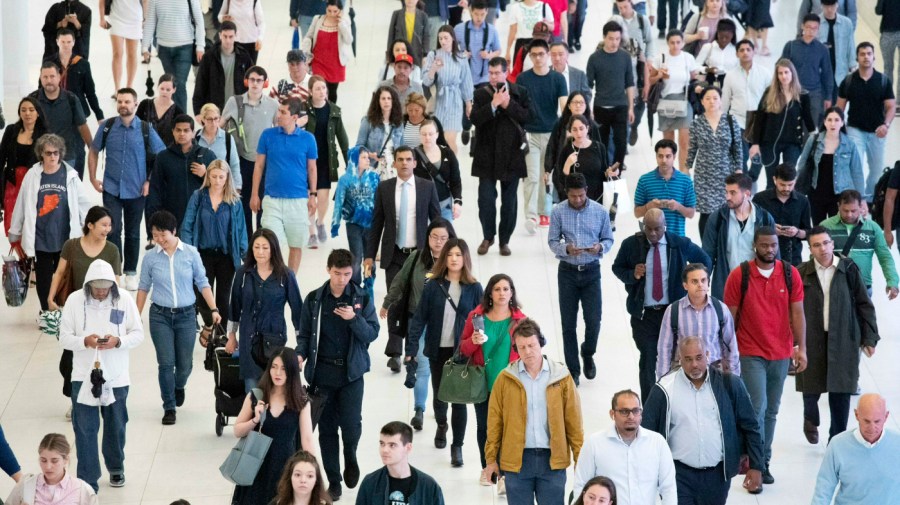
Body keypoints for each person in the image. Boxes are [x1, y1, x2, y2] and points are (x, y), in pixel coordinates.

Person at [723, 226, 806, 486]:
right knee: (757, 408)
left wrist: (801, 348)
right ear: (755, 246)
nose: (770, 249)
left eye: (773, 245)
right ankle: (756, 466)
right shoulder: (740, 275)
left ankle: (763, 460)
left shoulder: (790, 274)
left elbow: (797, 313)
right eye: (764, 245)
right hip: (750, 352)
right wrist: (727, 354)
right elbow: (729, 319)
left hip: (780, 353)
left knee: (771, 411)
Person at [297, 249, 380, 502]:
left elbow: (372, 333)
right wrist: (300, 356)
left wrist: (354, 319)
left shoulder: (361, 298)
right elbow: (304, 335)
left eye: (347, 274)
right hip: (322, 374)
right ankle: (334, 480)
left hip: (351, 374)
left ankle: (351, 455)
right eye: (337, 273)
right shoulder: (314, 300)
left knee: (351, 424)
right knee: (328, 430)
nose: (342, 279)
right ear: (328, 270)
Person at [642, 337, 765, 500]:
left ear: (707, 355)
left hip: (717, 476)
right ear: (680, 359)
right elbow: (646, 434)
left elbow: (751, 426)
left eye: (699, 357)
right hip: (678, 475)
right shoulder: (664, 389)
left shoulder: (730, 384)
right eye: (688, 359)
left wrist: (756, 466)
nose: (694, 364)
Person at [59, 259, 143, 491]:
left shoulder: (124, 299)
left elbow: (138, 334)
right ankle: (87, 480)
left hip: (116, 377)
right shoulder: (74, 301)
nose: (101, 292)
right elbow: (64, 337)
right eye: (96, 288)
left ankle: (116, 468)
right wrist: (84, 341)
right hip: (83, 376)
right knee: (84, 428)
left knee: (116, 425)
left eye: (105, 288)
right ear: (88, 285)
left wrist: (119, 342)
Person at [481, 318, 583, 504]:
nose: (528, 352)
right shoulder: (505, 379)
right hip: (516, 461)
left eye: (531, 345)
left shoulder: (561, 377)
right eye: (522, 347)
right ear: (516, 350)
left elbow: (574, 422)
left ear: (540, 343)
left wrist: (580, 458)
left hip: (552, 460)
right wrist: (490, 460)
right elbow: (494, 423)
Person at [612, 208, 710, 399]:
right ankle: (650, 406)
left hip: (672, 313)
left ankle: (677, 399)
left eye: (657, 229)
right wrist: (633, 274)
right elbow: (617, 268)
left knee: (677, 358)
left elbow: (704, 260)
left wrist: (695, 284)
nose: (653, 234)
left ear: (664, 226)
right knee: (648, 358)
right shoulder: (632, 244)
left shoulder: (679, 244)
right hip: (644, 315)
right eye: (649, 229)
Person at [135, 210, 221, 425]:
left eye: (163, 234)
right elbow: (144, 288)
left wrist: (214, 309)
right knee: (166, 363)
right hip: (160, 316)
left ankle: (178, 385)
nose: (160, 239)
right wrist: (135, 316)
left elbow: (203, 282)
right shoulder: (150, 258)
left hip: (185, 316)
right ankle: (169, 406)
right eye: (155, 235)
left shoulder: (191, 253)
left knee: (184, 365)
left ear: (174, 231)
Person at [798, 226, 879, 444]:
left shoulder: (849, 269)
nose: (822, 248)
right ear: (810, 249)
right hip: (811, 338)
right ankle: (810, 417)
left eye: (826, 243)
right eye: (816, 245)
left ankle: (836, 440)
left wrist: (870, 337)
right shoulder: (801, 272)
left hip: (844, 337)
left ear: (832, 244)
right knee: (810, 385)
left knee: (841, 389)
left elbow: (864, 304)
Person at [405, 239, 483, 465]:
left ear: (465, 258)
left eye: (458, 254)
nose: (454, 259)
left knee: (459, 400)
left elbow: (480, 318)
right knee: (440, 396)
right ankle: (441, 424)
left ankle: (457, 446)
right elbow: (419, 318)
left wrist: (480, 343)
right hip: (437, 350)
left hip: (462, 352)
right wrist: (410, 349)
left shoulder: (475, 287)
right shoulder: (434, 285)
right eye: (450, 254)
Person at [365, 146, 441, 370]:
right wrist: (369, 255)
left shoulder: (427, 187)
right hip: (394, 253)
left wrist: (450, 250)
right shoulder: (385, 188)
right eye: (401, 159)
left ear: (415, 163)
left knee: (416, 303)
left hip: (420, 256)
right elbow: (377, 223)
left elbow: (437, 220)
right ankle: (395, 351)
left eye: (409, 159)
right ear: (394, 163)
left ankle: (412, 350)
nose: (405, 163)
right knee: (396, 300)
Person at [89, 88, 167, 290]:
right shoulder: (107, 126)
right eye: (120, 101)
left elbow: (162, 156)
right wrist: (92, 177)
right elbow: (94, 151)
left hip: (136, 189)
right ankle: (115, 271)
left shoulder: (145, 129)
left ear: (135, 103)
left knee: (133, 232)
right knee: (112, 230)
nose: (123, 105)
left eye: (127, 101)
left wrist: (150, 180)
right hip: (112, 188)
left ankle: (131, 272)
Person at [47, 206, 121, 414]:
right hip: (75, 308)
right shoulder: (71, 246)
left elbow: (116, 283)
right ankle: (76, 397)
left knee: (98, 357)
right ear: (90, 225)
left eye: (109, 225)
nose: (107, 229)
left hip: (102, 309)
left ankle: (98, 395)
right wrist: (50, 297)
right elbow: (60, 272)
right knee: (69, 360)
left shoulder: (112, 250)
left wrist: (118, 315)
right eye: (103, 225)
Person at [381, 218, 456, 415]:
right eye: (434, 237)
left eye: (443, 238)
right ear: (427, 237)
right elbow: (399, 281)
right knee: (423, 369)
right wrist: (387, 303)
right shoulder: (416, 257)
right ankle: (419, 410)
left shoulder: (455, 261)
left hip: (445, 325)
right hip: (418, 321)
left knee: (442, 371)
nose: (439, 242)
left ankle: (441, 413)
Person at [8, 133, 90, 313]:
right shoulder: (33, 175)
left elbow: (84, 204)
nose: (52, 156)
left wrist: (91, 225)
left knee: (65, 276)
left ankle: (63, 309)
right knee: (44, 278)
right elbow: (22, 203)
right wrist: (15, 230)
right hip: (40, 237)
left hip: (64, 237)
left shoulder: (71, 175)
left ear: (60, 153)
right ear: (41, 154)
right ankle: (46, 310)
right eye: (48, 153)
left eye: (55, 153)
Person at [459, 273, 527, 483]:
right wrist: (473, 341)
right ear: (490, 293)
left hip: (510, 385)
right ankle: (487, 468)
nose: (502, 293)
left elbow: (529, 349)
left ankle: (505, 472)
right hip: (483, 383)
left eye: (506, 289)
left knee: (508, 428)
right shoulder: (476, 317)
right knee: (484, 428)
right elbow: (463, 348)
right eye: (497, 289)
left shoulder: (520, 321)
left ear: (512, 293)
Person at [548, 173, 613, 385]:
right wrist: (565, 248)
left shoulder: (600, 211)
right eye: (573, 196)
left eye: (581, 195)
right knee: (568, 324)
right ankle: (573, 370)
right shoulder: (558, 212)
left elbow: (608, 238)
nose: (578, 200)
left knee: (594, 320)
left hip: (591, 271)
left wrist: (599, 247)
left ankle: (587, 352)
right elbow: (552, 241)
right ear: (567, 193)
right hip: (567, 271)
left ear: (586, 191)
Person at [232, 348, 316, 505]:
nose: (277, 373)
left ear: (292, 371)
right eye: (274, 366)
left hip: (284, 469)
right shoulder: (256, 395)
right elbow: (237, 430)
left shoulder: (301, 402)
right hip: (255, 465)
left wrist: (314, 474)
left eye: (284, 368)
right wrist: (254, 420)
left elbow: (307, 440)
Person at [226, 228, 303, 392]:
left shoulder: (286, 276)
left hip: (274, 341)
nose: (260, 252)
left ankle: (267, 418)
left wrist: (301, 347)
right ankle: (257, 418)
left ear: (273, 249)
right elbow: (234, 308)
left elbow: (298, 311)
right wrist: (231, 336)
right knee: (254, 393)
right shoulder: (243, 274)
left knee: (274, 392)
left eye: (265, 247)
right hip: (248, 342)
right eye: (256, 247)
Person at [181, 159, 247, 341]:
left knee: (223, 297)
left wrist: (247, 258)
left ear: (227, 178)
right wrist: (187, 252)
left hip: (227, 256)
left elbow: (241, 232)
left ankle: (222, 335)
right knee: (202, 295)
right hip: (202, 255)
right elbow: (187, 225)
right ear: (208, 176)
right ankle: (209, 324)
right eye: (214, 176)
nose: (217, 180)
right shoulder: (198, 196)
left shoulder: (234, 201)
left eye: (221, 177)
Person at [471, 57, 531, 256]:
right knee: (486, 199)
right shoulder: (481, 94)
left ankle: (504, 240)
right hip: (486, 155)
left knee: (510, 202)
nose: (494, 76)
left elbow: (528, 118)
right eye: (490, 73)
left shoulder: (519, 92)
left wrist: (507, 105)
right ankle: (488, 237)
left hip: (512, 155)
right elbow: (475, 119)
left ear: (506, 72)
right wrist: (493, 105)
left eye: (497, 72)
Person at [250, 98, 318, 273]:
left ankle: (291, 282)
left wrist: (313, 195)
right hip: (271, 200)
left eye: (283, 112)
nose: (278, 115)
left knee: (296, 245)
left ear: (294, 117)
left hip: (298, 201)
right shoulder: (267, 135)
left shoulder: (308, 139)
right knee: (269, 245)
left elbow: (312, 169)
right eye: (278, 111)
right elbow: (258, 166)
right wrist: (254, 194)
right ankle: (272, 283)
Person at [572, 390, 676, 503]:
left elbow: (668, 489)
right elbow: (581, 485)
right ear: (612, 414)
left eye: (636, 411)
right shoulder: (594, 443)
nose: (631, 416)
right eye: (624, 411)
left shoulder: (657, 443)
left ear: (641, 414)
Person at [221, 65, 279, 235]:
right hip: (242, 160)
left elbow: (279, 128)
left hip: (265, 162)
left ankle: (262, 240)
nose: (255, 83)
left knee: (263, 203)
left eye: (259, 80)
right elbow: (220, 124)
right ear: (247, 82)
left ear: (265, 83)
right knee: (244, 202)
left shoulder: (273, 104)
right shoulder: (234, 102)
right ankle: (247, 244)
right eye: (252, 80)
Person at [810, 393, 900, 504]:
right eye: (866, 421)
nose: (872, 428)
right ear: (857, 415)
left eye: (877, 421)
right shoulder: (838, 445)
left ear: (886, 417)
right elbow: (824, 488)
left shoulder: (897, 444)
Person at [518, 39, 568, 231]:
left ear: (547, 55)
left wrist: (568, 130)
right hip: (530, 134)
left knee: (547, 175)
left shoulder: (558, 79)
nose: (538, 58)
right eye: (534, 55)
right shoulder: (523, 79)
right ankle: (531, 216)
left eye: (541, 54)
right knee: (532, 175)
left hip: (551, 134)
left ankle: (545, 212)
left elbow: (564, 107)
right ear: (530, 57)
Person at [656, 263, 739, 379]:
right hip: (682, 373)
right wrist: (662, 382)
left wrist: (735, 378)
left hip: (714, 371)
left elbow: (731, 346)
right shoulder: (673, 311)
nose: (700, 285)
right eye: (694, 281)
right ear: (685, 285)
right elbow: (664, 349)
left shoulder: (720, 309)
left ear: (708, 283)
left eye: (703, 280)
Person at [836, 42, 896, 203]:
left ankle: (869, 199)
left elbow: (891, 106)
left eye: (869, 53)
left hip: (877, 132)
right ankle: (858, 200)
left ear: (874, 57)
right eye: (862, 54)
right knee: (857, 167)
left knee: (876, 171)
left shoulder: (883, 81)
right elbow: (839, 108)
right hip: (855, 130)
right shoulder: (848, 81)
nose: (866, 57)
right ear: (857, 58)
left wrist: (886, 124)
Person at [702, 173, 776, 299]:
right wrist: (703, 280)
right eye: (726, 192)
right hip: (727, 283)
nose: (727, 197)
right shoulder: (717, 218)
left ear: (747, 194)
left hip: (757, 285)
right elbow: (707, 255)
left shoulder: (764, 218)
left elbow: (773, 254)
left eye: (733, 193)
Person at [747, 59, 816, 188]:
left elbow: (808, 119)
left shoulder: (802, 95)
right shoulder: (769, 93)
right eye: (780, 73)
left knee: (788, 178)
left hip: (793, 143)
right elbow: (759, 120)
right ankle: (770, 207)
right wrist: (755, 144)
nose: (784, 76)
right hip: (770, 143)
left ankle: (787, 205)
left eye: (786, 72)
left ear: (792, 74)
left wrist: (816, 137)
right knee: (771, 181)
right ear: (777, 75)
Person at [821, 189, 900, 299]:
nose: (849, 215)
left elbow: (885, 257)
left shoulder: (873, 228)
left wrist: (892, 282)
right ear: (838, 206)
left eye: (853, 211)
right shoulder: (826, 226)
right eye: (845, 210)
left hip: (863, 286)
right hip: (833, 286)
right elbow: (816, 257)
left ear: (861, 207)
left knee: (865, 316)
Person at [146, 114, 217, 233]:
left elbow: (221, 185)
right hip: (172, 219)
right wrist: (155, 220)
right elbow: (155, 189)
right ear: (173, 131)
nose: (182, 134)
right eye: (178, 130)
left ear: (193, 132)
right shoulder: (163, 157)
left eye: (186, 130)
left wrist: (206, 175)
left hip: (202, 217)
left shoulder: (207, 155)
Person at [687, 86, 743, 235]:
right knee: (705, 213)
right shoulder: (696, 123)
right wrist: (686, 168)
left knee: (727, 211)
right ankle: (706, 248)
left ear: (720, 101)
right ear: (702, 102)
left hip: (726, 174)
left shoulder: (730, 121)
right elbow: (692, 148)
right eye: (707, 98)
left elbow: (738, 146)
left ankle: (724, 247)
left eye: (715, 98)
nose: (712, 101)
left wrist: (739, 169)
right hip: (704, 175)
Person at [797, 107, 865, 224]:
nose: (833, 123)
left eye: (837, 120)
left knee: (838, 230)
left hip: (840, 195)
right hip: (816, 193)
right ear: (824, 122)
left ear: (842, 123)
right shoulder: (814, 140)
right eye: (829, 120)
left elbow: (857, 172)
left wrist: (861, 199)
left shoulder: (849, 144)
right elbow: (802, 165)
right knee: (819, 229)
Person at [305, 75, 350, 249]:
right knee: (309, 197)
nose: (322, 92)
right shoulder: (304, 110)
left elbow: (343, 140)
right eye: (317, 88)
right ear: (310, 91)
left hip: (325, 159)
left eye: (324, 88)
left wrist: (349, 163)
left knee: (323, 197)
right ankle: (311, 233)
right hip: (307, 161)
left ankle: (320, 221)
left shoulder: (334, 111)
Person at [356, 422, 446, 505]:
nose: (384, 450)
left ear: (408, 448)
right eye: (382, 444)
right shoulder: (370, 483)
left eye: (392, 445)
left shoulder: (429, 487)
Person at [648, 30, 701, 172]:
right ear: (668, 43)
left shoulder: (687, 58)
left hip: (684, 101)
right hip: (666, 102)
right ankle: (670, 171)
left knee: (685, 141)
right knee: (669, 142)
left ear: (683, 43)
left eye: (678, 42)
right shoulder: (661, 58)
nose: (675, 45)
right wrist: (659, 74)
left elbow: (694, 77)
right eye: (672, 42)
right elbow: (651, 80)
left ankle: (684, 172)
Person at [32, 61, 93, 179]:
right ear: (40, 78)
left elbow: (82, 126)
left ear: (59, 77)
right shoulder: (33, 100)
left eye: (52, 76)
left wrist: (92, 149)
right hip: (40, 158)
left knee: (67, 194)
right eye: (45, 77)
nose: (49, 80)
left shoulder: (71, 99)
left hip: (66, 157)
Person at [142, 0, 205, 113]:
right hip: (164, 48)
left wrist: (200, 45)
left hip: (185, 47)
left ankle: (182, 121)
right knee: (170, 85)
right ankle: (171, 118)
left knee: (179, 84)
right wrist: (145, 46)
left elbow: (199, 21)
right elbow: (150, 21)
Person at [332, 146, 381, 287]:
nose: (367, 160)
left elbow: (379, 201)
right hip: (353, 224)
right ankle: (355, 285)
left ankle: (368, 283)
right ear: (354, 159)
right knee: (356, 256)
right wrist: (335, 225)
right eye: (363, 157)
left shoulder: (374, 177)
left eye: (368, 157)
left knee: (369, 256)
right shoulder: (345, 180)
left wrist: (381, 221)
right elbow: (339, 203)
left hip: (371, 224)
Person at [586, 22, 634, 167]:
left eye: (617, 39)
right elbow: (588, 85)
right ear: (604, 37)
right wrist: (588, 109)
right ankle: (604, 171)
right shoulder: (594, 58)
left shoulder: (625, 57)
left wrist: (631, 107)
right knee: (601, 143)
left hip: (620, 106)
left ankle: (617, 171)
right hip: (601, 106)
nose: (614, 42)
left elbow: (629, 83)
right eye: (611, 38)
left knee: (621, 142)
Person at [721, 39, 771, 181]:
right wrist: (723, 123)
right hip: (738, 121)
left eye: (748, 49)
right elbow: (725, 100)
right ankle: (742, 186)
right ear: (737, 53)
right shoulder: (730, 75)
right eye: (741, 50)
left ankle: (751, 180)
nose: (745, 53)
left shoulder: (765, 73)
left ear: (753, 51)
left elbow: (771, 98)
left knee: (757, 159)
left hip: (759, 121)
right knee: (740, 157)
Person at [456, 1, 503, 144]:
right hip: (466, 75)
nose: (479, 17)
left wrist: (489, 55)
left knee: (482, 106)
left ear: (487, 12)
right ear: (470, 11)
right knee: (467, 105)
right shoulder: (459, 29)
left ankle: (478, 133)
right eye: (476, 14)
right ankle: (466, 128)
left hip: (484, 76)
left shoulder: (492, 30)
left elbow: (498, 50)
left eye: (482, 14)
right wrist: (460, 53)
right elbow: (450, 49)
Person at [422, 26, 474, 153]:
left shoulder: (461, 57)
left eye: (446, 38)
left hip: (455, 101)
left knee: (450, 139)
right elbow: (426, 81)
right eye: (440, 38)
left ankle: (453, 170)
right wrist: (433, 69)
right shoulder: (433, 55)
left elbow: (466, 82)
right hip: (439, 100)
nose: (443, 41)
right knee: (438, 139)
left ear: (453, 39)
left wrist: (468, 104)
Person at [608, 0, 653, 147]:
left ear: (632, 4)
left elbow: (650, 41)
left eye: (625, 6)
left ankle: (633, 126)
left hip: (638, 68)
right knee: (623, 110)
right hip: (619, 80)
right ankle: (623, 139)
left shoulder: (641, 20)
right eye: (620, 7)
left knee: (639, 106)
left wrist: (649, 60)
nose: (623, 10)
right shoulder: (615, 21)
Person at [4, 434, 96, 505]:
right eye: (43, 460)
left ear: (66, 460)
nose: (48, 467)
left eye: (54, 461)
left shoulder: (82, 490)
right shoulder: (26, 485)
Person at [1, 97, 48, 235]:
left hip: (34, 183)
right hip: (13, 182)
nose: (27, 113)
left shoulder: (45, 135)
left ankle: (30, 255)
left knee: (31, 221)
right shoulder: (11, 130)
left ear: (38, 113)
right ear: (19, 113)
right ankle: (21, 255)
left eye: (31, 110)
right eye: (23, 110)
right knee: (11, 222)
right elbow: (1, 157)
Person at [752, 164, 813, 267]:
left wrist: (797, 232)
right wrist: (770, 230)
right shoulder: (760, 199)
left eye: (790, 185)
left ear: (795, 180)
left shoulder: (803, 201)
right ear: (774, 179)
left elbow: (808, 232)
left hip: (793, 257)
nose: (786, 188)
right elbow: (751, 228)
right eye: (782, 184)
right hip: (765, 256)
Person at [633, 139, 696, 237]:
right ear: (656, 156)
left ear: (674, 157)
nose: (664, 160)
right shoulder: (644, 180)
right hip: (651, 238)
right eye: (660, 156)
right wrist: (649, 206)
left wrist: (678, 207)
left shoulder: (685, 181)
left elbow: (691, 213)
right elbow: (637, 213)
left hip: (677, 239)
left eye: (668, 156)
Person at [545, 93, 601, 198]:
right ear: (569, 105)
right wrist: (547, 169)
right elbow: (552, 146)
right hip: (564, 171)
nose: (578, 105)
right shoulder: (560, 124)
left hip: (588, 174)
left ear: (586, 105)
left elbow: (600, 151)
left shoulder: (592, 126)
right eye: (575, 102)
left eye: (581, 103)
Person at [781, 15, 833, 127]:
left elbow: (827, 74)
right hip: (793, 91)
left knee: (811, 127)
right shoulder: (791, 46)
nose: (811, 31)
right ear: (802, 26)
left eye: (815, 28)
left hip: (814, 93)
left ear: (818, 29)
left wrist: (828, 96)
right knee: (791, 125)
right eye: (808, 27)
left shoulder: (822, 49)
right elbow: (780, 69)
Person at [192, 20, 253, 115]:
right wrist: (197, 111)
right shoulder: (209, 57)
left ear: (235, 36)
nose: (228, 40)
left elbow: (252, 83)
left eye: (231, 36)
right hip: (215, 110)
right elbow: (200, 84)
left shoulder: (244, 57)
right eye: (225, 36)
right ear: (220, 35)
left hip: (238, 109)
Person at [552, 115, 614, 203]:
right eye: (575, 129)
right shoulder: (567, 150)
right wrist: (567, 164)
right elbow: (561, 180)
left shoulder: (599, 147)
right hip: (576, 201)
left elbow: (605, 170)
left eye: (581, 129)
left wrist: (610, 173)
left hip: (597, 199)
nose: (579, 133)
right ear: (570, 131)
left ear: (587, 128)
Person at [302, 0, 354, 103]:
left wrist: (341, 23)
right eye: (329, 11)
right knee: (320, 88)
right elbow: (308, 36)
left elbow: (349, 40)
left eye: (335, 11)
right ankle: (319, 112)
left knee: (332, 91)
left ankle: (331, 114)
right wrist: (306, 53)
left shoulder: (344, 21)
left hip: (335, 63)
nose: (331, 14)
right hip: (318, 61)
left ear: (340, 11)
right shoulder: (318, 19)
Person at [46, 29, 103, 121]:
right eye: (63, 42)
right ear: (57, 42)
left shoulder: (83, 64)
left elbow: (90, 92)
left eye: (69, 42)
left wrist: (99, 115)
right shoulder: (49, 63)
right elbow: (42, 87)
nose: (66, 45)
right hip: (55, 108)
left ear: (73, 42)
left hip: (77, 110)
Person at [413, 121, 462, 221]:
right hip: (422, 206)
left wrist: (457, 201)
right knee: (424, 236)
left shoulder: (448, 153)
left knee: (445, 235)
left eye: (430, 134)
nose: (427, 137)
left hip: (445, 205)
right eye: (424, 134)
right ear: (420, 135)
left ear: (437, 134)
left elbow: (455, 180)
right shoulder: (414, 155)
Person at [356, 87, 405, 180]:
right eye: (383, 98)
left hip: (393, 168)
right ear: (378, 101)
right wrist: (370, 154)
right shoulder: (368, 121)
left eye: (389, 98)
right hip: (372, 166)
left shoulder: (399, 123)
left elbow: (402, 148)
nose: (386, 101)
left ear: (393, 101)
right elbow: (359, 146)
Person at [99, 0, 142, 92]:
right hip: (116, 18)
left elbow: (146, 1)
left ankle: (129, 87)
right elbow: (102, 1)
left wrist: (146, 18)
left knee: (132, 54)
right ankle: (117, 88)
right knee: (117, 53)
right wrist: (101, 18)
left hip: (135, 19)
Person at [196, 103, 242, 188]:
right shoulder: (196, 138)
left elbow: (234, 165)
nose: (213, 123)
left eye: (216, 119)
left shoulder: (227, 138)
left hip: (222, 187)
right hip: (200, 187)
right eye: (209, 119)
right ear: (203, 119)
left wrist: (237, 188)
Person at [818, 0, 855, 103]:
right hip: (821, 69)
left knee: (838, 101)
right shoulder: (816, 23)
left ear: (837, 5)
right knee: (822, 101)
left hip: (840, 68)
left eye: (832, 6)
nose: (830, 9)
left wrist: (852, 64)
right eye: (826, 6)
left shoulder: (846, 23)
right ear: (821, 6)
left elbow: (851, 44)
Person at [137, 74, 184, 149]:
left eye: (168, 90)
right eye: (162, 88)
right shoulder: (145, 104)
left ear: (174, 90)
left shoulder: (178, 111)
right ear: (157, 87)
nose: (164, 92)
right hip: (143, 148)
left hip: (166, 151)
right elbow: (136, 125)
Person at [505, 0, 555, 67]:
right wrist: (508, 51)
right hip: (521, 44)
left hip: (540, 43)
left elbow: (552, 27)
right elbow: (512, 30)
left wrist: (545, 24)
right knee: (520, 73)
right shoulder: (515, 7)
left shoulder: (544, 6)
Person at [695, 19, 739, 87]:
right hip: (711, 82)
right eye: (721, 37)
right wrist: (707, 69)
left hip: (731, 83)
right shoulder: (708, 47)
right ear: (717, 33)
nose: (724, 40)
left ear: (732, 35)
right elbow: (695, 67)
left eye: (727, 37)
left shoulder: (736, 50)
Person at [387, 0, 430, 66]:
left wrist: (425, 55)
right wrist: (389, 55)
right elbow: (391, 35)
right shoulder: (396, 14)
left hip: (416, 55)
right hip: (399, 54)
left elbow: (426, 37)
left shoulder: (423, 16)